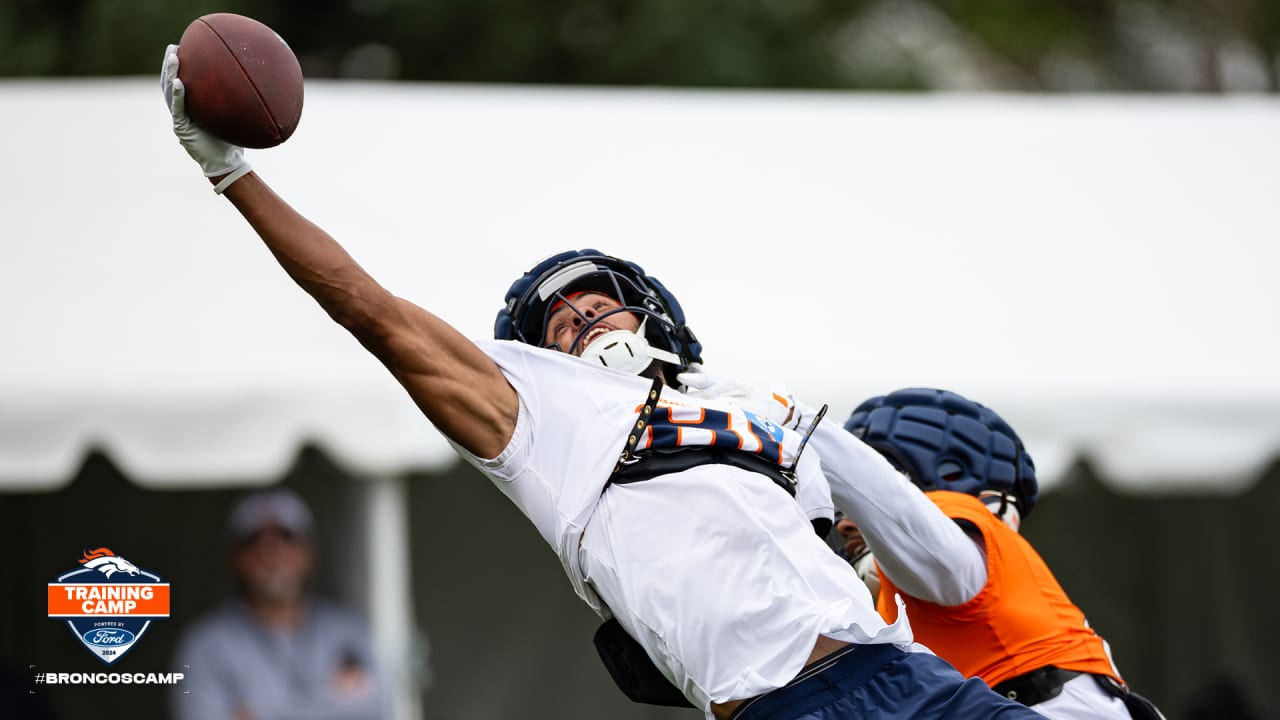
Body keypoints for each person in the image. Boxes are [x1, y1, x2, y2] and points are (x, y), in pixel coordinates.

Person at [160, 44, 1043, 720]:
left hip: (906, 674)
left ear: (650, 316)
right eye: (561, 323)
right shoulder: (546, 422)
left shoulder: (753, 407)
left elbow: (840, 544)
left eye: (598, 306)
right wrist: (231, 173)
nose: (583, 321)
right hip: (787, 707)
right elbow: (372, 312)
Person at [835, 387, 1165, 720]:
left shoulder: (958, 540)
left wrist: (798, 423)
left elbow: (891, 506)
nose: (844, 524)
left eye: (853, 504)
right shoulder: (890, 603)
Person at [169, 488, 387, 720]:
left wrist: (260, 712)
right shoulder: (206, 644)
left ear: (310, 553)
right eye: (254, 542)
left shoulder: (349, 630)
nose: (272, 556)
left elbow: (380, 709)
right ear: (234, 558)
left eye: (287, 538)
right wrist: (333, 705)